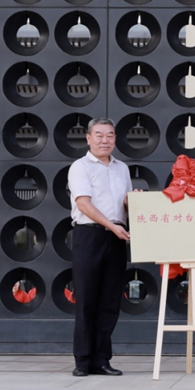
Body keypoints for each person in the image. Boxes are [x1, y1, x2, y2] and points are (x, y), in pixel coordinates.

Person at [67, 118, 132, 376]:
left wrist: (133, 201)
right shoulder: (80, 167)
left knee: (109, 302)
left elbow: (124, 204)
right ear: (88, 138)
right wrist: (111, 226)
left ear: (115, 138)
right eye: (99, 135)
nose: (105, 140)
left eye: (110, 135)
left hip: (117, 237)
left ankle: (102, 360)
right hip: (89, 235)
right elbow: (83, 204)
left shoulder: (122, 168)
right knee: (86, 299)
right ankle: (83, 361)